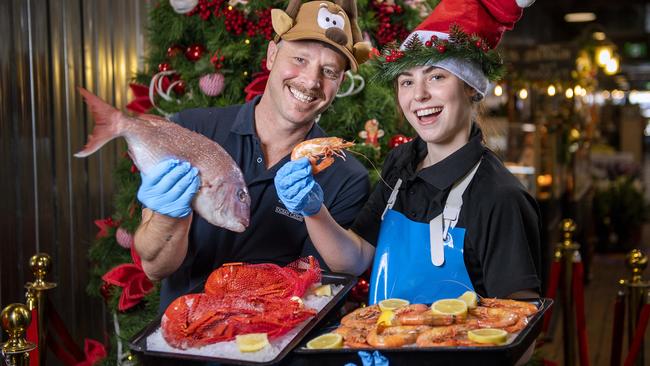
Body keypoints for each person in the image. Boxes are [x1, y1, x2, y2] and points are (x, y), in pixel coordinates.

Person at [274, 0, 541, 306]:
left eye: (437, 76)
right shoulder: (401, 162)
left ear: (471, 87)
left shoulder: (501, 198)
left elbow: (520, 333)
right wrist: (313, 210)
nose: (419, 95)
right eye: (406, 81)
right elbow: (355, 258)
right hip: (379, 349)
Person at [134, 0, 373, 310]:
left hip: (277, 346)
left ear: (339, 83)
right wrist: (170, 215)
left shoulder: (347, 177)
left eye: (329, 72)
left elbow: (326, 286)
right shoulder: (193, 130)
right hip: (189, 338)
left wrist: (315, 212)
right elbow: (155, 268)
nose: (312, 81)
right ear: (272, 55)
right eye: (299, 59)